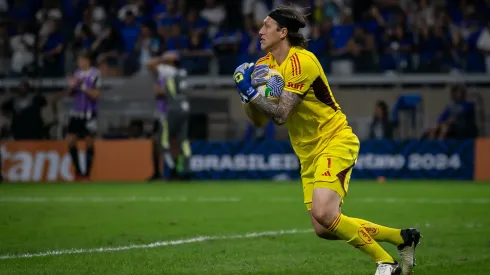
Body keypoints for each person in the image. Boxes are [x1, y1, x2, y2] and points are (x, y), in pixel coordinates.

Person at [233, 5, 420, 275]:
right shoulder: (264, 66)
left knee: (323, 213)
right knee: (324, 227)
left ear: (283, 32)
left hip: (334, 140)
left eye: (266, 26)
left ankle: (386, 262)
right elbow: (259, 119)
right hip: (307, 153)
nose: (260, 31)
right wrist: (246, 95)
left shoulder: (301, 62)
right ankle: (401, 238)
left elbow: (281, 115)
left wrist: (251, 92)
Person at [147, 51, 192, 180]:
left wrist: (163, 58)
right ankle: (185, 169)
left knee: (164, 141)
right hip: (184, 107)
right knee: (182, 140)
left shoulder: (168, 71)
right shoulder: (182, 72)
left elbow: (150, 64)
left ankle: (172, 169)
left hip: (169, 110)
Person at [64, 52, 101, 181]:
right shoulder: (76, 74)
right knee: (70, 141)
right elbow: (70, 94)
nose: (80, 63)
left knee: (89, 141)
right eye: (79, 61)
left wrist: (82, 86)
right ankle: (79, 172)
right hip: (76, 112)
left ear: (88, 61)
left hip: (89, 113)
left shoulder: (95, 75)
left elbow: (96, 95)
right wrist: (71, 87)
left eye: (83, 60)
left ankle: (87, 174)